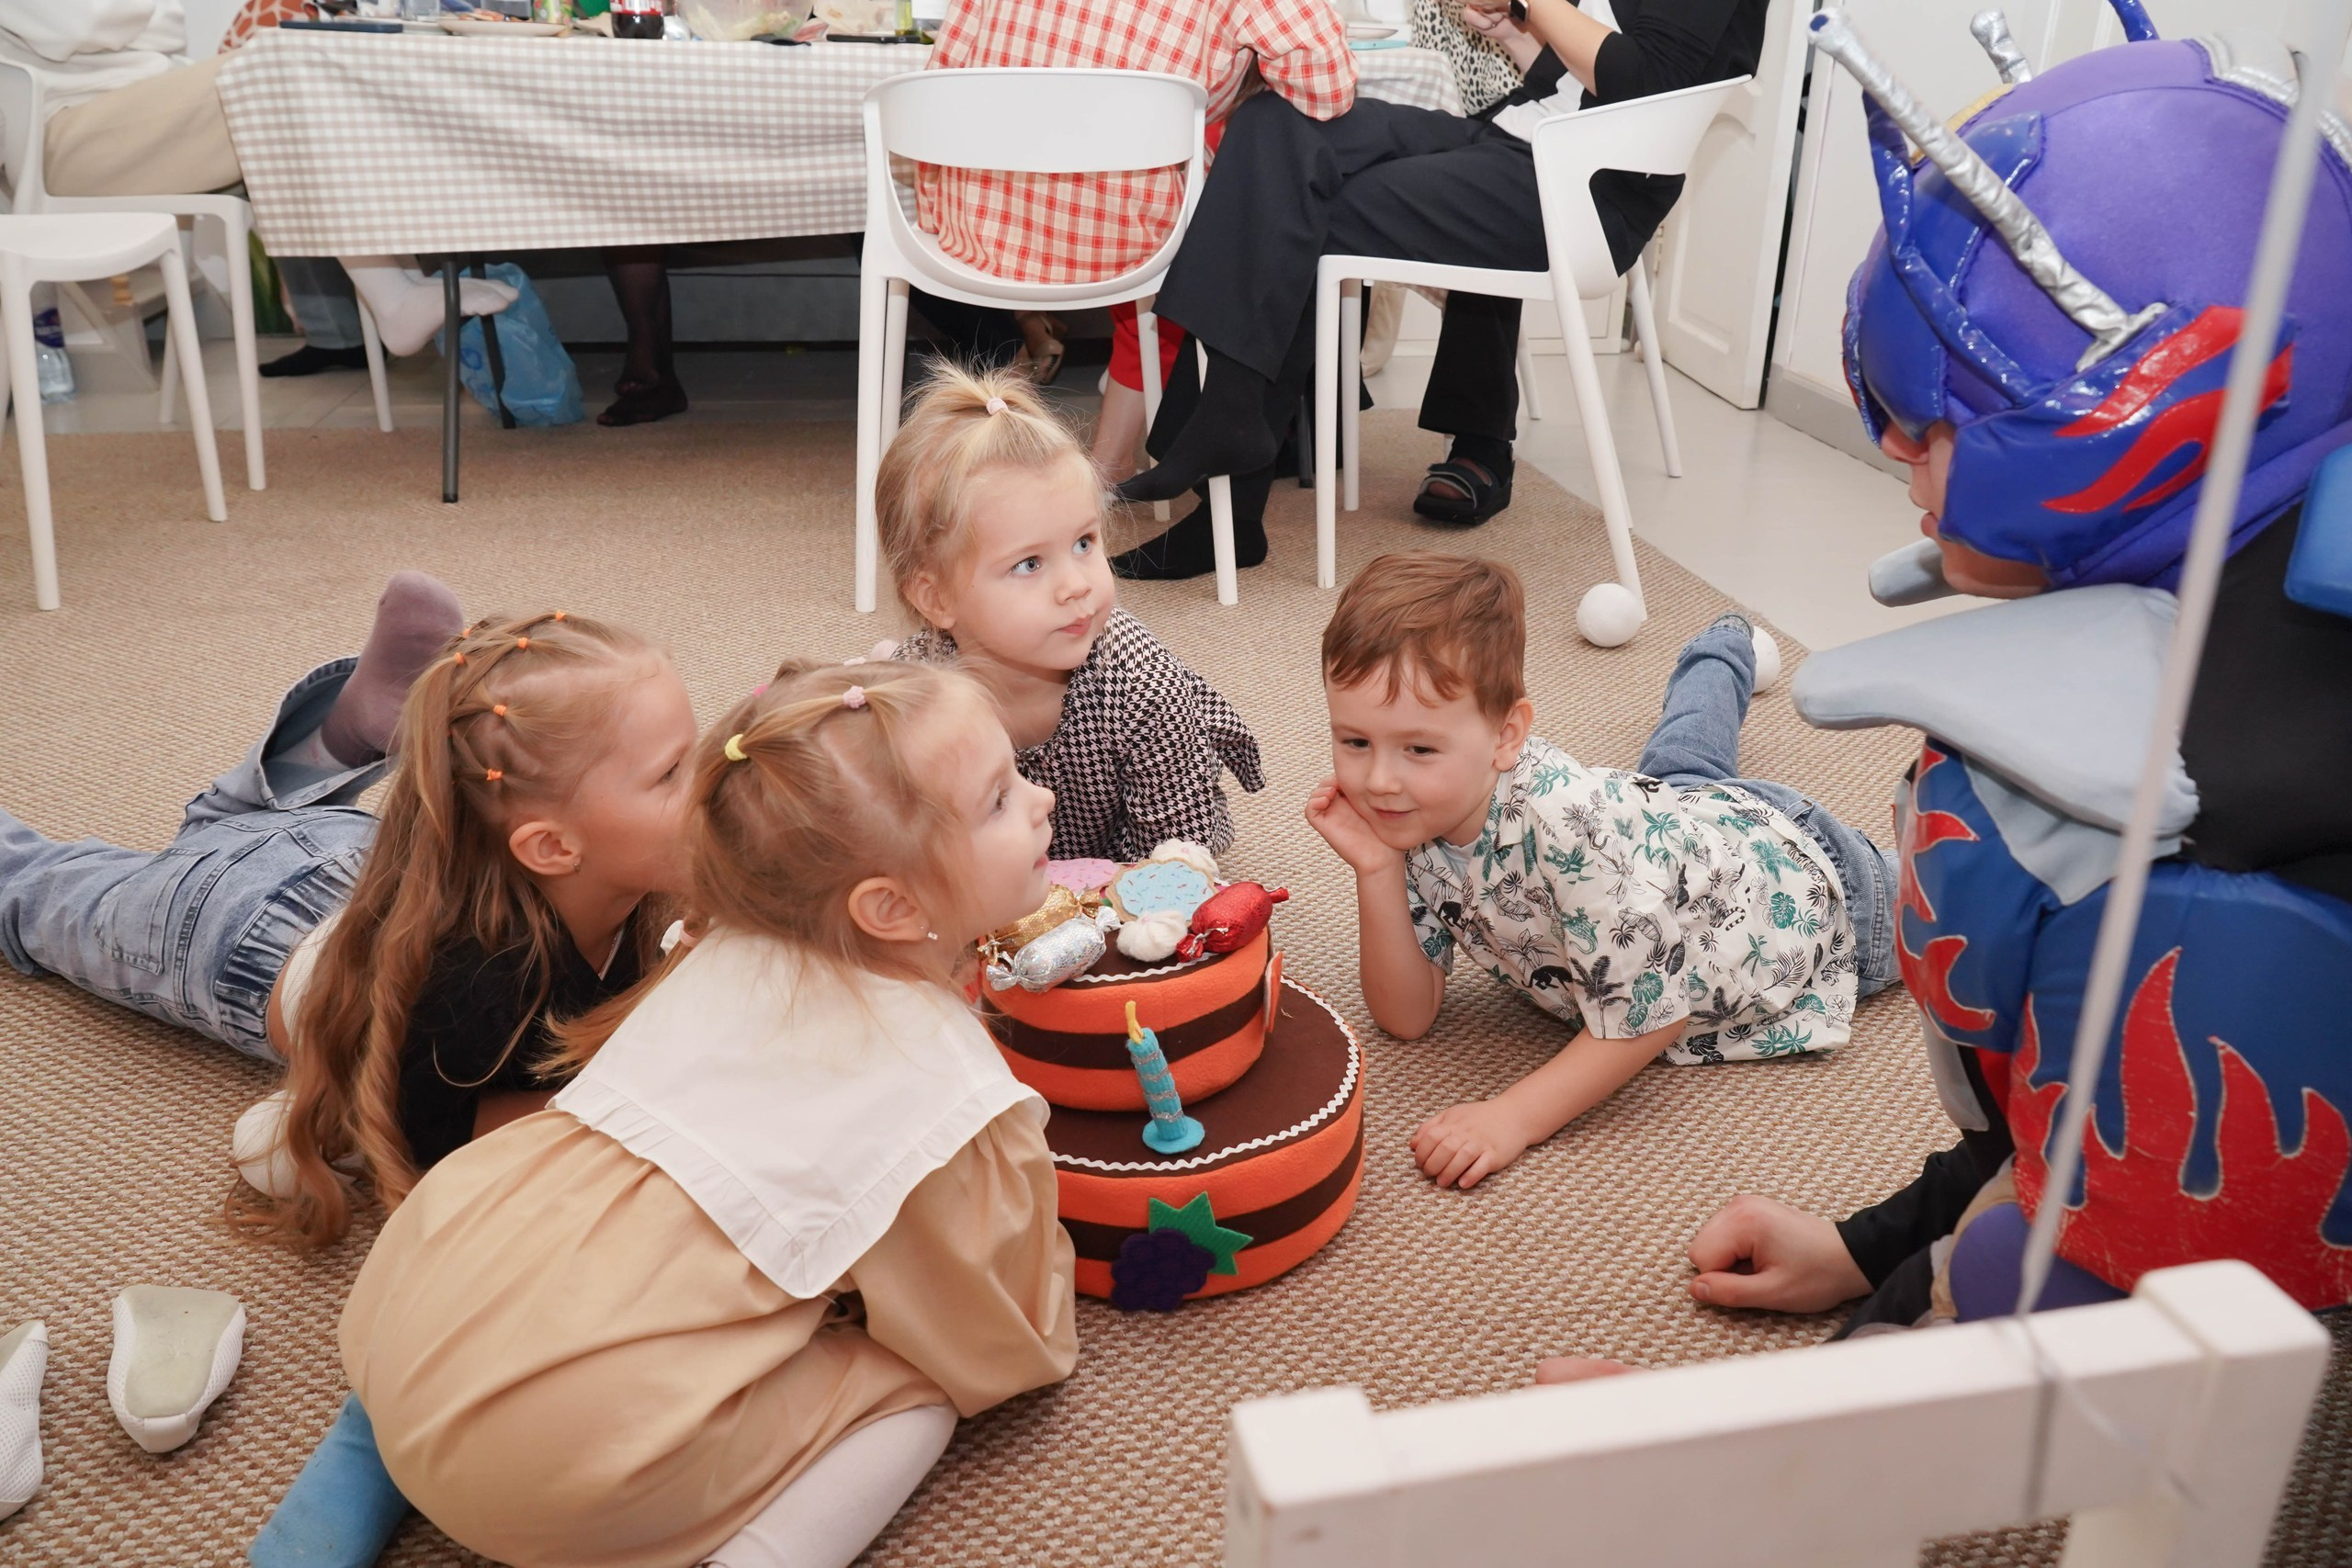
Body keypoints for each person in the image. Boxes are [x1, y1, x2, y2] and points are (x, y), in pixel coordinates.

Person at [1673, 11, 2352, 1336]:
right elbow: (2070, 1120)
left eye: (1935, 424)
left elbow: (2115, 1318)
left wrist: (1730, 1436)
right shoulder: (2246, 592)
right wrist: (1875, 1243)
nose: (1896, 454)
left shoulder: (2206, 852)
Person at [337, 660, 1078, 1568]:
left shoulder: (714, 951)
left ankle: (368, 1464)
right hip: (564, 1459)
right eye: (1000, 799)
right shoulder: (942, 1083)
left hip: (411, 1316)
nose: (1041, 799)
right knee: (917, 1388)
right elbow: (994, 1332)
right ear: (889, 905)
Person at [1306, 552, 1899, 1190]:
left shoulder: (1572, 832)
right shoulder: (1411, 816)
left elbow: (1650, 1019)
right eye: (1355, 741)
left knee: (1964, 897)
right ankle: (1722, 652)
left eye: (1419, 748)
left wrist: (1513, 1117)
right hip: (1677, 823)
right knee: (1683, 764)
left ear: (1507, 736)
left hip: (1820, 891)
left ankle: (1725, 650)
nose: (1379, 780)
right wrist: (1376, 869)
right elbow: (1407, 1016)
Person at [1117, 0, 1769, 579]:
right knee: (1273, 119)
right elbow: (1575, 84)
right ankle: (1229, 431)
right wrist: (1514, 32)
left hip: (1580, 191)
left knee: (1305, 205)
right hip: (1514, 138)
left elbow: (1647, 81)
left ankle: (1229, 494)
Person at [915, 0, 1357, 561]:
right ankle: (1117, 463)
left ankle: (1112, 462)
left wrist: (935, 216)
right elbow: (1329, 87)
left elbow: (938, 81)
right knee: (1227, 207)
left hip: (975, 227)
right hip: (1122, 238)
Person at [882, 363, 1264, 860]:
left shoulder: (1147, 692)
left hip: (1124, 872)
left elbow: (1178, 865)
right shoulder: (914, 701)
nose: (1076, 585)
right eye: (1029, 564)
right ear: (937, 599)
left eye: (1084, 542)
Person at [0, 1, 518, 356]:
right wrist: (137, 17)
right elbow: (80, 26)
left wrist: (130, 19)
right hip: (64, 135)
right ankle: (394, 298)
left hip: (124, 108)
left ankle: (400, 286)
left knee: (308, 57)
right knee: (285, 61)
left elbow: (163, 24)